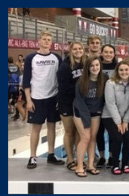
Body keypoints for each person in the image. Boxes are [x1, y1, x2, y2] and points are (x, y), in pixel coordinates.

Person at [23, 31, 63, 169]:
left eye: (49, 39)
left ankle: (51, 154)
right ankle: (33, 156)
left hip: (53, 97)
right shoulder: (31, 58)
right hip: (37, 98)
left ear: (51, 42)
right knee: (36, 128)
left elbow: (61, 78)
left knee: (52, 126)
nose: (46, 41)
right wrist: (28, 100)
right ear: (39, 41)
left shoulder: (57, 58)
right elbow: (26, 81)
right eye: (44, 39)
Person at [71, 56, 105, 177]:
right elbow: (80, 103)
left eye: (97, 65)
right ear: (87, 68)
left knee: (92, 137)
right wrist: (87, 122)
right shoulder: (81, 82)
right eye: (92, 66)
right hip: (80, 112)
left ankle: (91, 165)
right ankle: (79, 166)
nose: (95, 68)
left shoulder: (104, 79)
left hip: (95, 112)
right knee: (85, 137)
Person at [100, 61, 129, 175]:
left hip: (126, 117)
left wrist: (125, 121)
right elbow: (110, 103)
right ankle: (115, 164)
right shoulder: (110, 83)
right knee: (118, 138)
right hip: (110, 116)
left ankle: (125, 163)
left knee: (128, 139)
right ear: (117, 71)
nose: (124, 72)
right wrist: (118, 122)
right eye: (121, 70)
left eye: (126, 70)